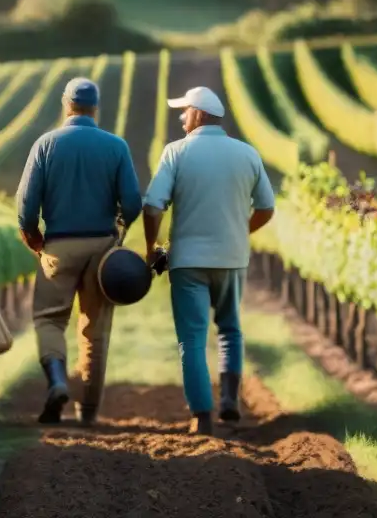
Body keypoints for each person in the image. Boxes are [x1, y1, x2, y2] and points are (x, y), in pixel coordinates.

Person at [142, 86, 275, 436]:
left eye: (184, 111)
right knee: (230, 329)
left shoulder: (176, 153)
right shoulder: (247, 153)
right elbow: (266, 208)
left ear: (198, 113)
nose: (181, 118)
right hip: (232, 258)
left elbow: (153, 205)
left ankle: (202, 417)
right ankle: (230, 401)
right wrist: (240, 232)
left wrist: (151, 246)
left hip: (187, 262)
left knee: (193, 338)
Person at [16, 77, 142, 426]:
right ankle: (87, 412)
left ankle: (57, 381)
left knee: (49, 319)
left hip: (58, 245)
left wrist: (36, 241)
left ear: (65, 103)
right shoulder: (116, 146)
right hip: (101, 249)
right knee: (95, 330)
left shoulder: (46, 144)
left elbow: (26, 207)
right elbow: (133, 203)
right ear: (95, 107)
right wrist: (118, 231)